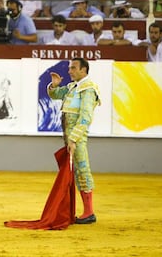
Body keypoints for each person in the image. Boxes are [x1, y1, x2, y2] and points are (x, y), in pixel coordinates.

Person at [48, 57, 100, 224]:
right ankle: (85, 211)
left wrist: (74, 138)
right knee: (77, 172)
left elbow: (85, 117)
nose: (69, 71)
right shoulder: (73, 87)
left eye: (73, 68)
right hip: (69, 138)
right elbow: (56, 94)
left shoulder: (88, 89)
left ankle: (89, 212)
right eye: (70, 68)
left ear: (83, 70)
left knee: (82, 170)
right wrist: (54, 85)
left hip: (76, 138)